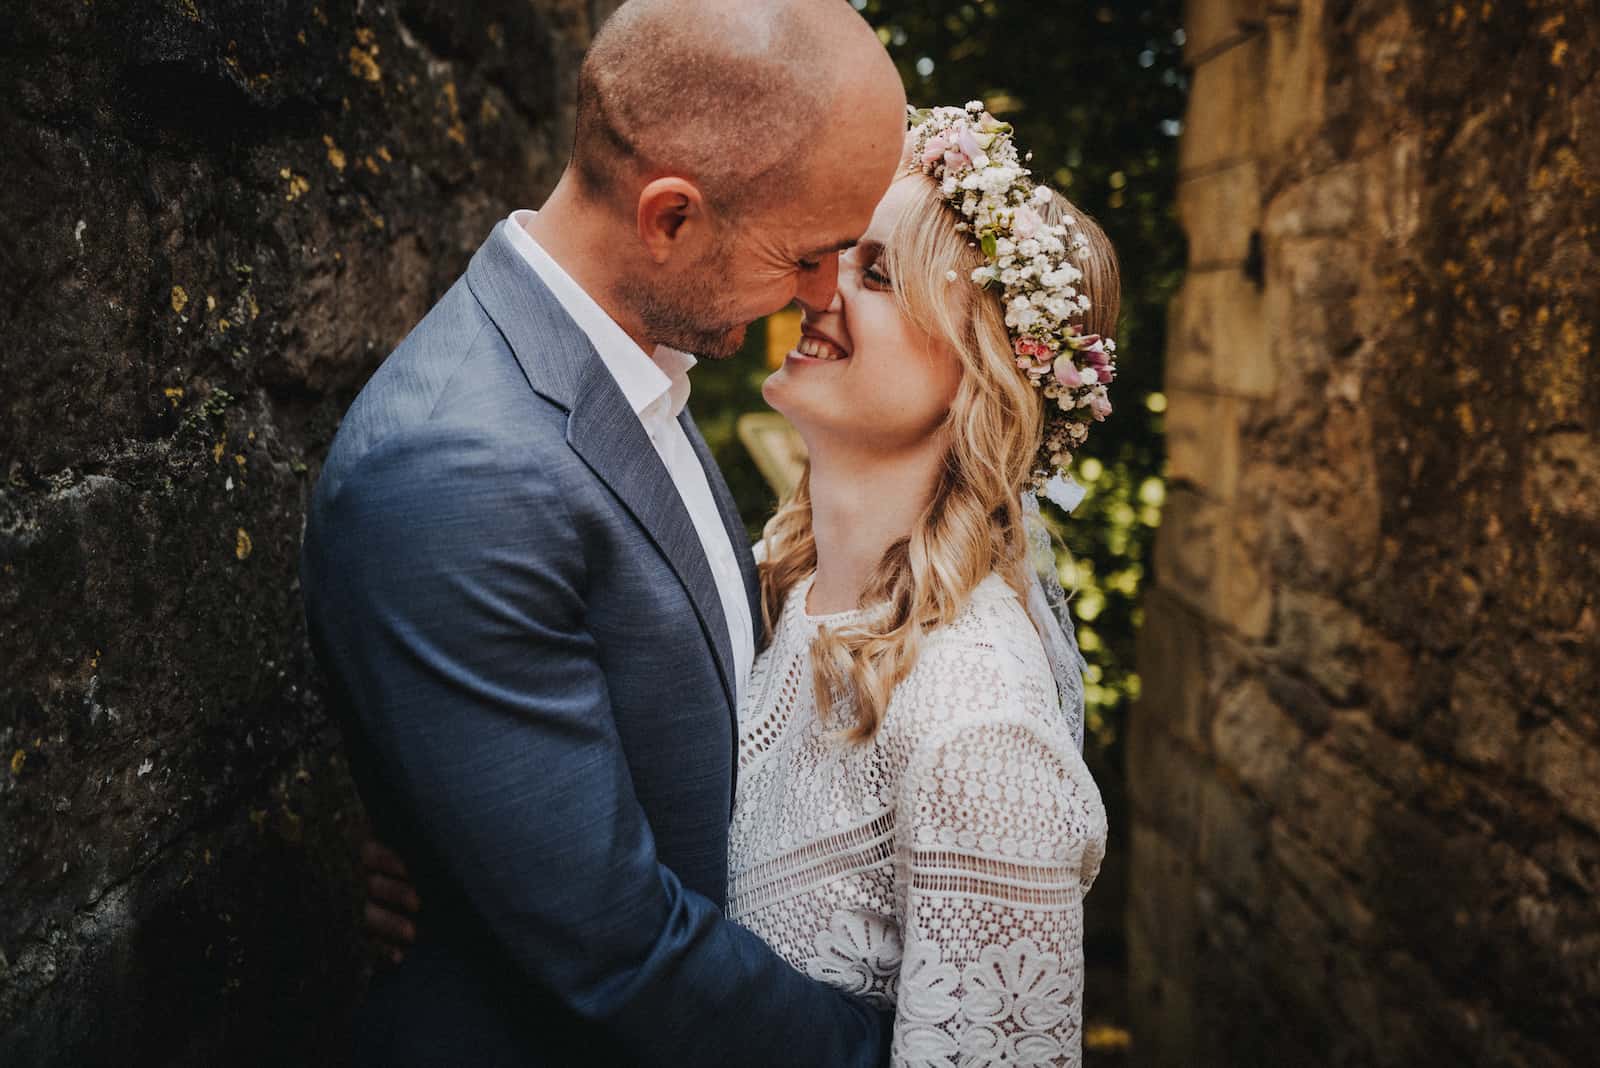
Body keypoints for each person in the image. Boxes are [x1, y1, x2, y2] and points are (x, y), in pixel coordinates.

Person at [365, 103, 1119, 1066]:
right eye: (837, 251)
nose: (816, 285)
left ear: (979, 381)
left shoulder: (980, 729)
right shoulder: (766, 579)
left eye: (876, 273)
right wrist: (450, 855)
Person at [300, 0, 908, 1063]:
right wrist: (908, 1048)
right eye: (806, 255)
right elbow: (611, 948)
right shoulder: (459, 469)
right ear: (669, 216)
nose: (819, 295)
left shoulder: (635, 366)